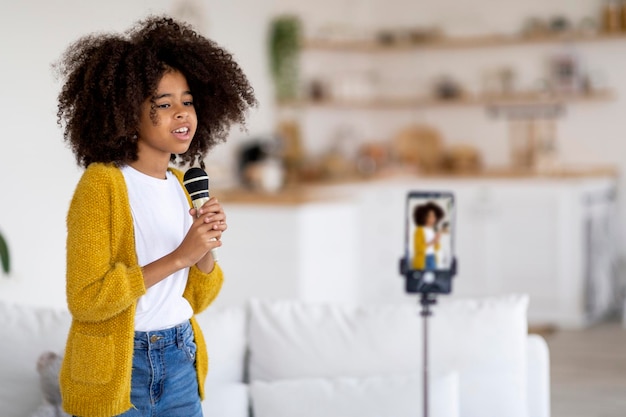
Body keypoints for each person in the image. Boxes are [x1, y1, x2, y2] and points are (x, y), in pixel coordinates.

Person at [55, 16, 256, 417]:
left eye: (188, 101)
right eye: (164, 104)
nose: (181, 113)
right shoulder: (102, 185)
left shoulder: (184, 184)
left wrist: (204, 246)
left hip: (181, 357)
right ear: (128, 113)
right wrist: (182, 255)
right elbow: (87, 299)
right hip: (121, 366)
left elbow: (198, 297)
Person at [412, 201, 445, 270]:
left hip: (432, 257)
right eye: (430, 216)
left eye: (434, 216)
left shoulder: (432, 230)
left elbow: (437, 248)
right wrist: (432, 242)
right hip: (423, 260)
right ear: (424, 217)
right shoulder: (419, 230)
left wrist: (437, 240)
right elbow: (418, 248)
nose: (433, 218)